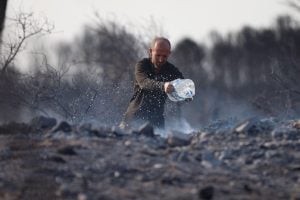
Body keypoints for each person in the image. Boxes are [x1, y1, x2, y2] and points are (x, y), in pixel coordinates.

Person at [120, 37, 186, 129]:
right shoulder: (142, 65)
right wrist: (163, 86)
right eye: (158, 55)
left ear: (169, 54)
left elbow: (184, 86)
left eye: (164, 56)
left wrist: (186, 94)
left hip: (156, 121)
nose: (161, 59)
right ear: (151, 51)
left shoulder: (172, 70)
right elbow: (144, 83)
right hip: (134, 118)